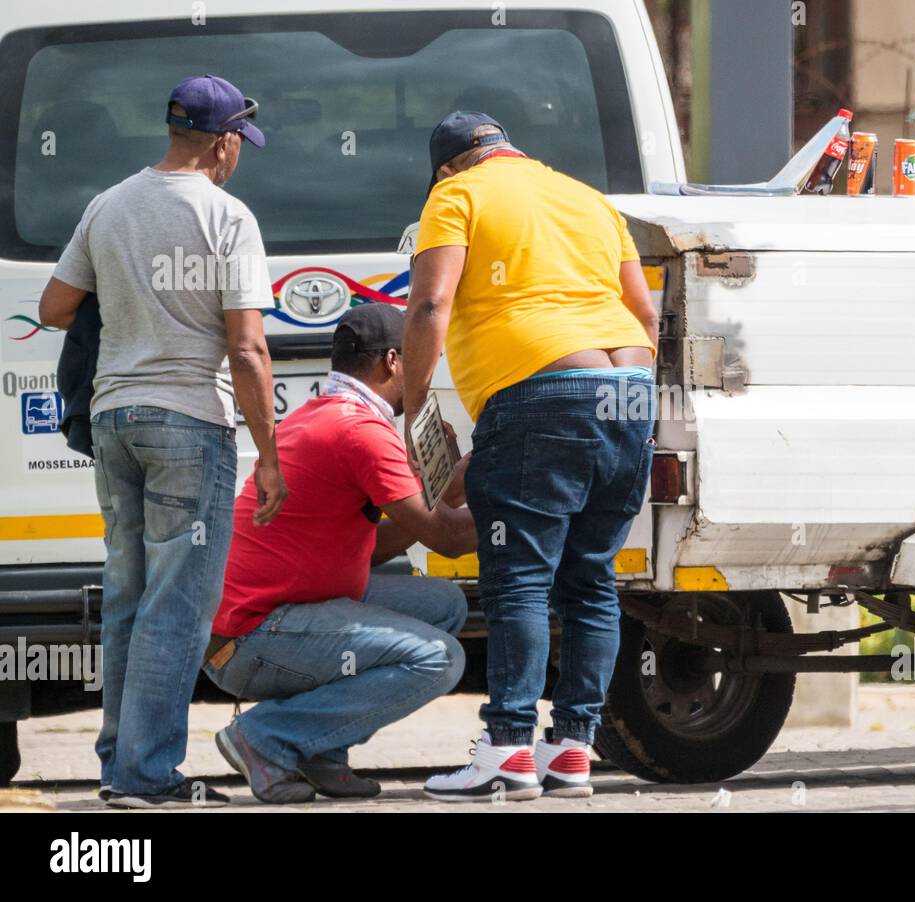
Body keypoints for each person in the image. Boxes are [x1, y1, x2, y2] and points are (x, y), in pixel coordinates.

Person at [37, 75, 286, 810]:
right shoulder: (228, 217)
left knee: (129, 598)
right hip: (187, 421)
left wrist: (131, 302)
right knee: (177, 607)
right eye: (239, 140)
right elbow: (247, 350)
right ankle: (147, 776)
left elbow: (55, 308)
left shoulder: (108, 204)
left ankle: (121, 765)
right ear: (222, 142)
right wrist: (269, 455)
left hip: (114, 419)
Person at [405, 111, 659, 801]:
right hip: (631, 389)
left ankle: (508, 748)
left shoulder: (454, 196)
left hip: (541, 386)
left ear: (447, 166)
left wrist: (412, 402)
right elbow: (645, 315)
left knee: (517, 579)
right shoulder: (589, 200)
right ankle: (572, 750)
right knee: (592, 580)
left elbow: (430, 304)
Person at [205, 303, 475, 804]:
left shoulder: (323, 415)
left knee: (445, 605)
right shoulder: (361, 433)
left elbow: (365, 552)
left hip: (265, 619)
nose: (427, 374)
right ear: (393, 361)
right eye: (422, 360)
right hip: (250, 639)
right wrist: (523, 502)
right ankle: (267, 737)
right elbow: (450, 540)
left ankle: (321, 751)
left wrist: (444, 495)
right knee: (438, 660)